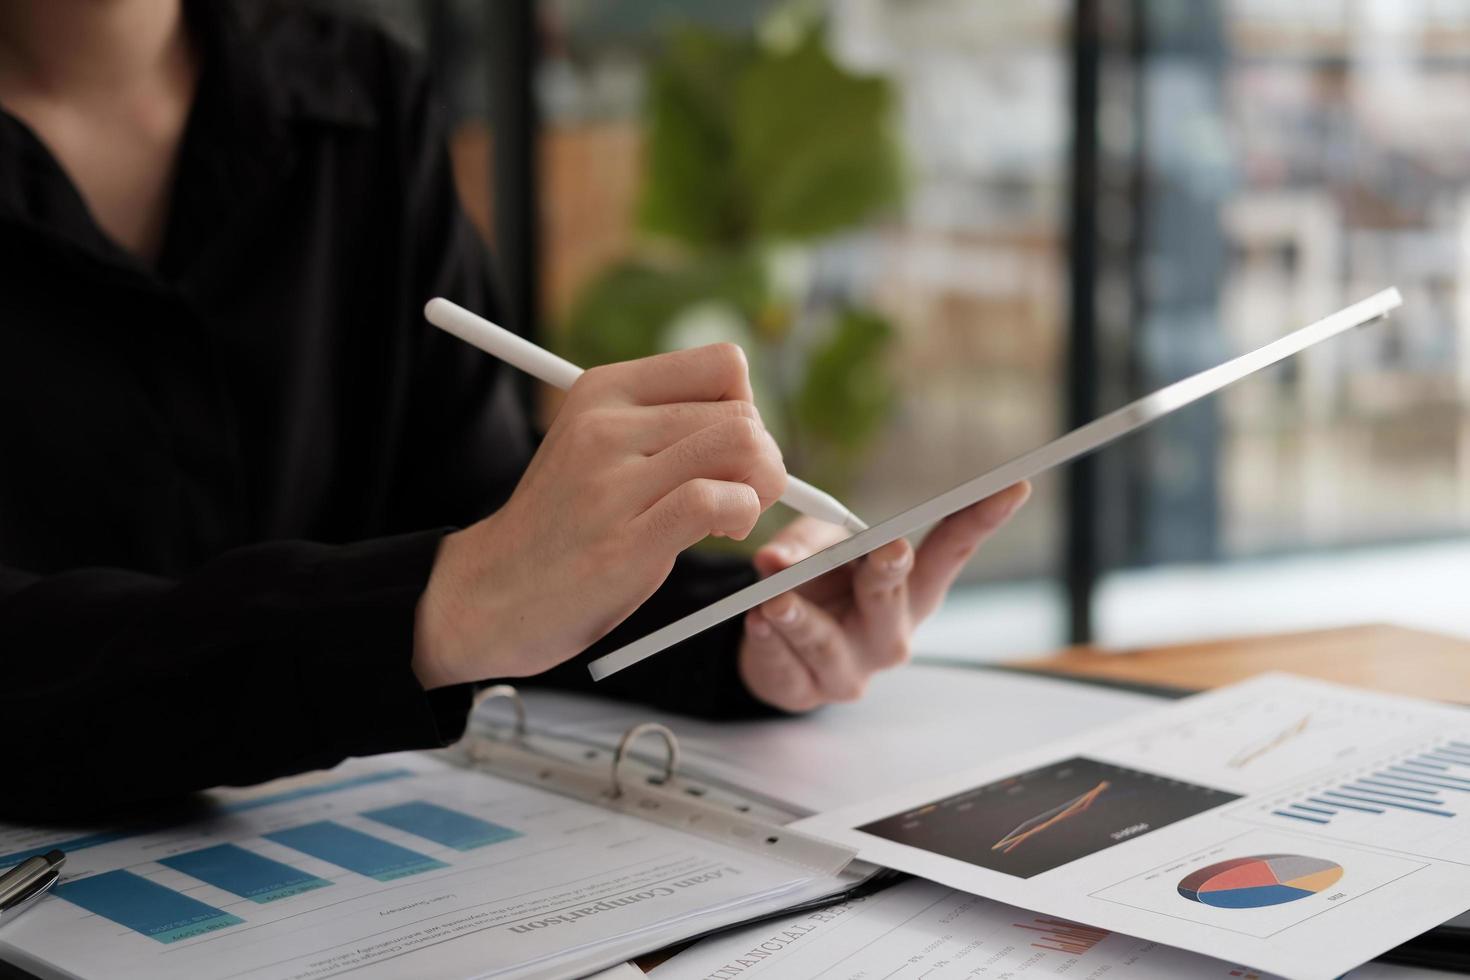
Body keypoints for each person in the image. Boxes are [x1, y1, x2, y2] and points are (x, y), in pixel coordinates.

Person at [0, 0, 1029, 822]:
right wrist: (433, 609)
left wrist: (750, 626)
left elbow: (489, 529)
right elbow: (470, 581)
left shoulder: (360, 102)